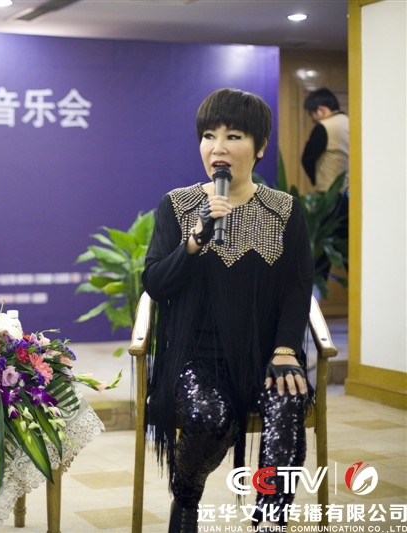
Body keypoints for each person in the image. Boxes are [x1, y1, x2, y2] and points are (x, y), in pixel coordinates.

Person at [141, 88, 313, 533]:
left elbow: (298, 289)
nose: (217, 147)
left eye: (233, 136)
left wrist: (285, 350)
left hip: (265, 355)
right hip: (195, 359)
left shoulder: (284, 211)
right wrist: (195, 241)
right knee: (206, 417)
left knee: (287, 403)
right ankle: (186, 499)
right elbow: (155, 283)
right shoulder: (178, 206)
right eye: (208, 136)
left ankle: (270, 521)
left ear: (260, 147)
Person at [301, 87, 349, 278]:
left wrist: (316, 180)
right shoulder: (351, 123)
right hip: (352, 199)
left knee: (320, 258)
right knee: (348, 253)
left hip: (330, 200)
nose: (314, 120)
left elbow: (307, 159)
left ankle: (314, 297)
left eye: (312, 116)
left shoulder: (324, 127)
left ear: (320, 110)